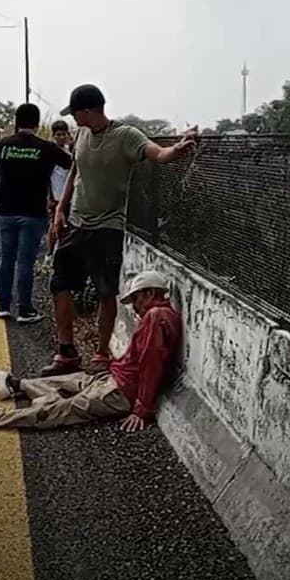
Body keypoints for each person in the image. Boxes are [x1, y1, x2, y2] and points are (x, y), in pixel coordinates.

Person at [46, 84, 195, 376]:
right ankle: (66, 352)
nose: (73, 119)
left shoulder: (126, 136)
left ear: (87, 111)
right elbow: (74, 174)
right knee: (59, 284)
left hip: (107, 227)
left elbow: (158, 154)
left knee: (105, 291)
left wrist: (177, 148)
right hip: (76, 222)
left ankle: (101, 354)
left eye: (75, 112)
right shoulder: (82, 135)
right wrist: (61, 210)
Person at [0, 269, 181, 434]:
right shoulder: (161, 316)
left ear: (150, 292)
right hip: (113, 380)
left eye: (136, 299)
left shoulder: (156, 318)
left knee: (64, 409)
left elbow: (151, 364)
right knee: (66, 382)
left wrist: (142, 408)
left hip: (118, 391)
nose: (134, 306)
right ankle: (15, 385)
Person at [0, 102, 72, 324]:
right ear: (38, 123)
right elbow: (71, 164)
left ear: (17, 122)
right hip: (33, 212)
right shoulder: (46, 147)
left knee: (6, 259)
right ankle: (25, 310)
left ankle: (2, 306)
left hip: (6, 211)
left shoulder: (4, 146)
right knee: (25, 262)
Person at [47, 119, 72, 253]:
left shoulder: (71, 152)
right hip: (56, 195)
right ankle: (50, 252)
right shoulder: (51, 153)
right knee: (54, 224)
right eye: (58, 135)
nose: (62, 137)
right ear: (54, 136)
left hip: (70, 195)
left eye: (64, 134)